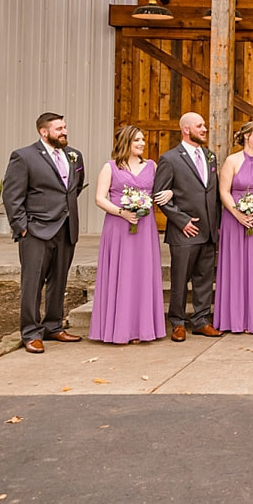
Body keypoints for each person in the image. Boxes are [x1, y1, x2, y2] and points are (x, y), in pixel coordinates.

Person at [3, 112, 87, 353]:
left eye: (65, 127)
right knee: (33, 282)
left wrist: (63, 211)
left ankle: (53, 326)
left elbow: (75, 187)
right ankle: (30, 332)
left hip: (66, 227)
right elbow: (12, 195)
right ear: (43, 132)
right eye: (59, 128)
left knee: (59, 279)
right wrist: (21, 227)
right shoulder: (24, 156)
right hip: (36, 230)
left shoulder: (74, 155)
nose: (64, 132)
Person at [89, 125, 169, 344]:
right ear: (126, 142)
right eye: (137, 140)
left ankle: (142, 329)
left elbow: (163, 188)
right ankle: (118, 329)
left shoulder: (152, 166)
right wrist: (121, 212)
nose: (142, 143)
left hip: (144, 228)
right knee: (121, 273)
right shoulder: (111, 167)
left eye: (143, 139)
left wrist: (170, 192)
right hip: (118, 227)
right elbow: (100, 198)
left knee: (142, 274)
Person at [153, 112, 223, 342]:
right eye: (200, 125)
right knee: (180, 279)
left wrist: (218, 225)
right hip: (184, 230)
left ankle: (201, 320)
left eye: (204, 125)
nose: (204, 129)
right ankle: (178, 322)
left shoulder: (210, 157)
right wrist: (181, 221)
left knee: (204, 279)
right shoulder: (170, 159)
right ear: (186, 129)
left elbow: (213, 194)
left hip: (208, 230)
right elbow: (160, 196)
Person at [214, 121, 253, 334]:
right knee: (237, 266)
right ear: (247, 135)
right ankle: (236, 320)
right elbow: (224, 192)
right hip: (234, 220)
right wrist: (239, 215)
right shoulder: (232, 161)